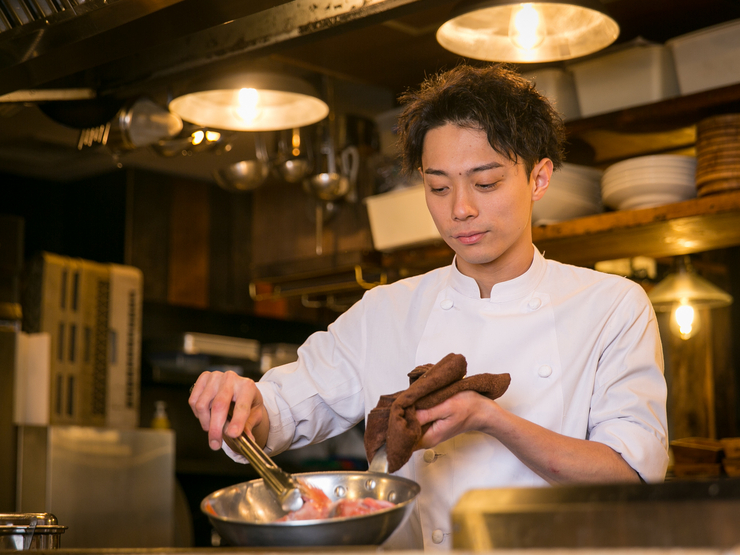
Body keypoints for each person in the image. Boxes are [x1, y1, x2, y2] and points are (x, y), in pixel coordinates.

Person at [189, 63, 669, 550]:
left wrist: (490, 418)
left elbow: (631, 478)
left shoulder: (611, 306)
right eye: (438, 187)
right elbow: (280, 412)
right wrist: (238, 403)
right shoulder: (385, 311)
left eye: (485, 184)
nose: (460, 208)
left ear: (539, 178)